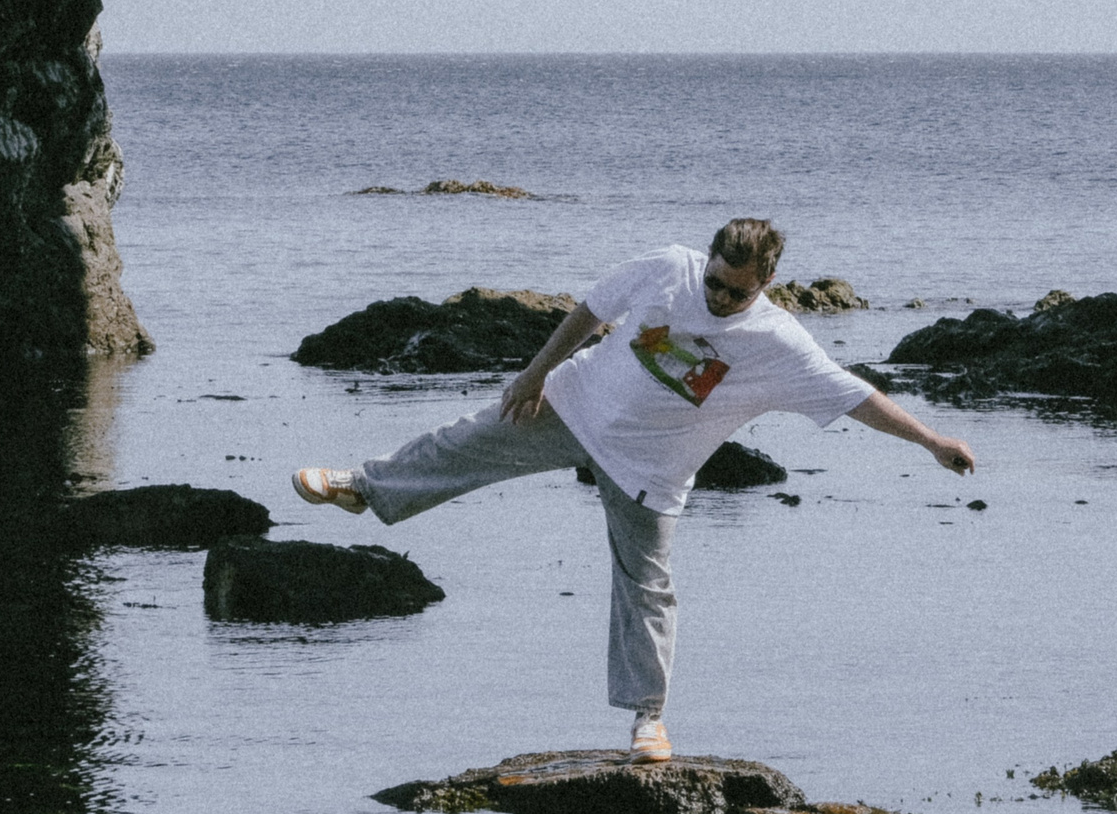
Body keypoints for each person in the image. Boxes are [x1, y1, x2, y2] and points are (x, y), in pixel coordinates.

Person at [292, 218, 976, 765]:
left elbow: (857, 396)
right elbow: (590, 310)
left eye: (736, 292)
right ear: (705, 260)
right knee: (466, 441)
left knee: (646, 589)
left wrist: (931, 442)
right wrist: (534, 373)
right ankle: (364, 486)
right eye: (715, 283)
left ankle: (649, 719)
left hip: (649, 469)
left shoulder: (779, 342)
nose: (719, 299)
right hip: (575, 405)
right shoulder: (668, 268)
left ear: (766, 282)